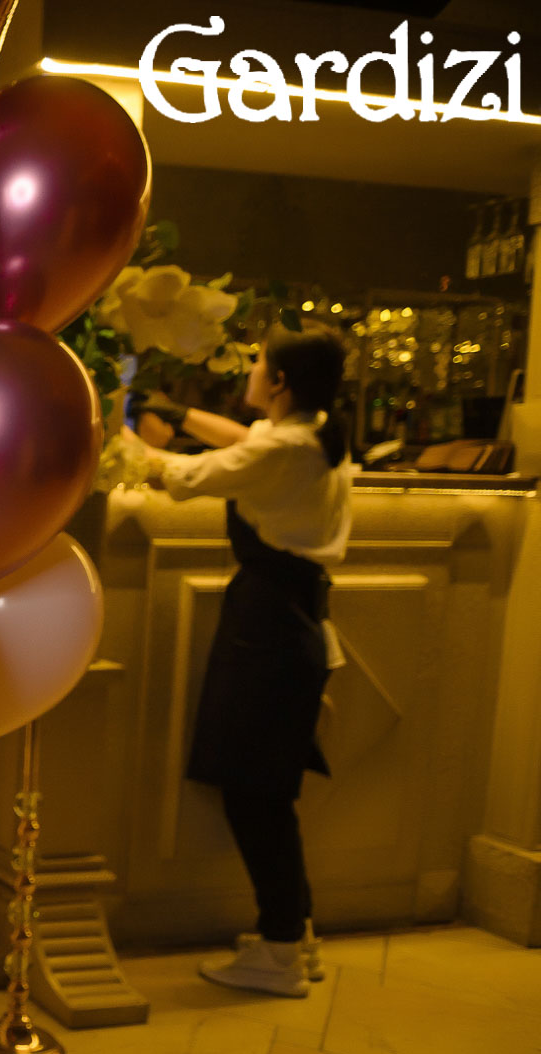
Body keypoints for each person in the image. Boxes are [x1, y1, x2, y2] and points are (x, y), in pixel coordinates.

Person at [129, 327, 356, 997]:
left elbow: (180, 477)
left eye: (259, 363)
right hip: (293, 620)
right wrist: (177, 412)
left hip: (269, 628)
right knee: (269, 790)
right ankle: (296, 934)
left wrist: (115, 434)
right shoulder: (314, 434)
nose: (253, 371)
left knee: (254, 792)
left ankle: (281, 950)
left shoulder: (283, 449)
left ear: (278, 382)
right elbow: (245, 439)